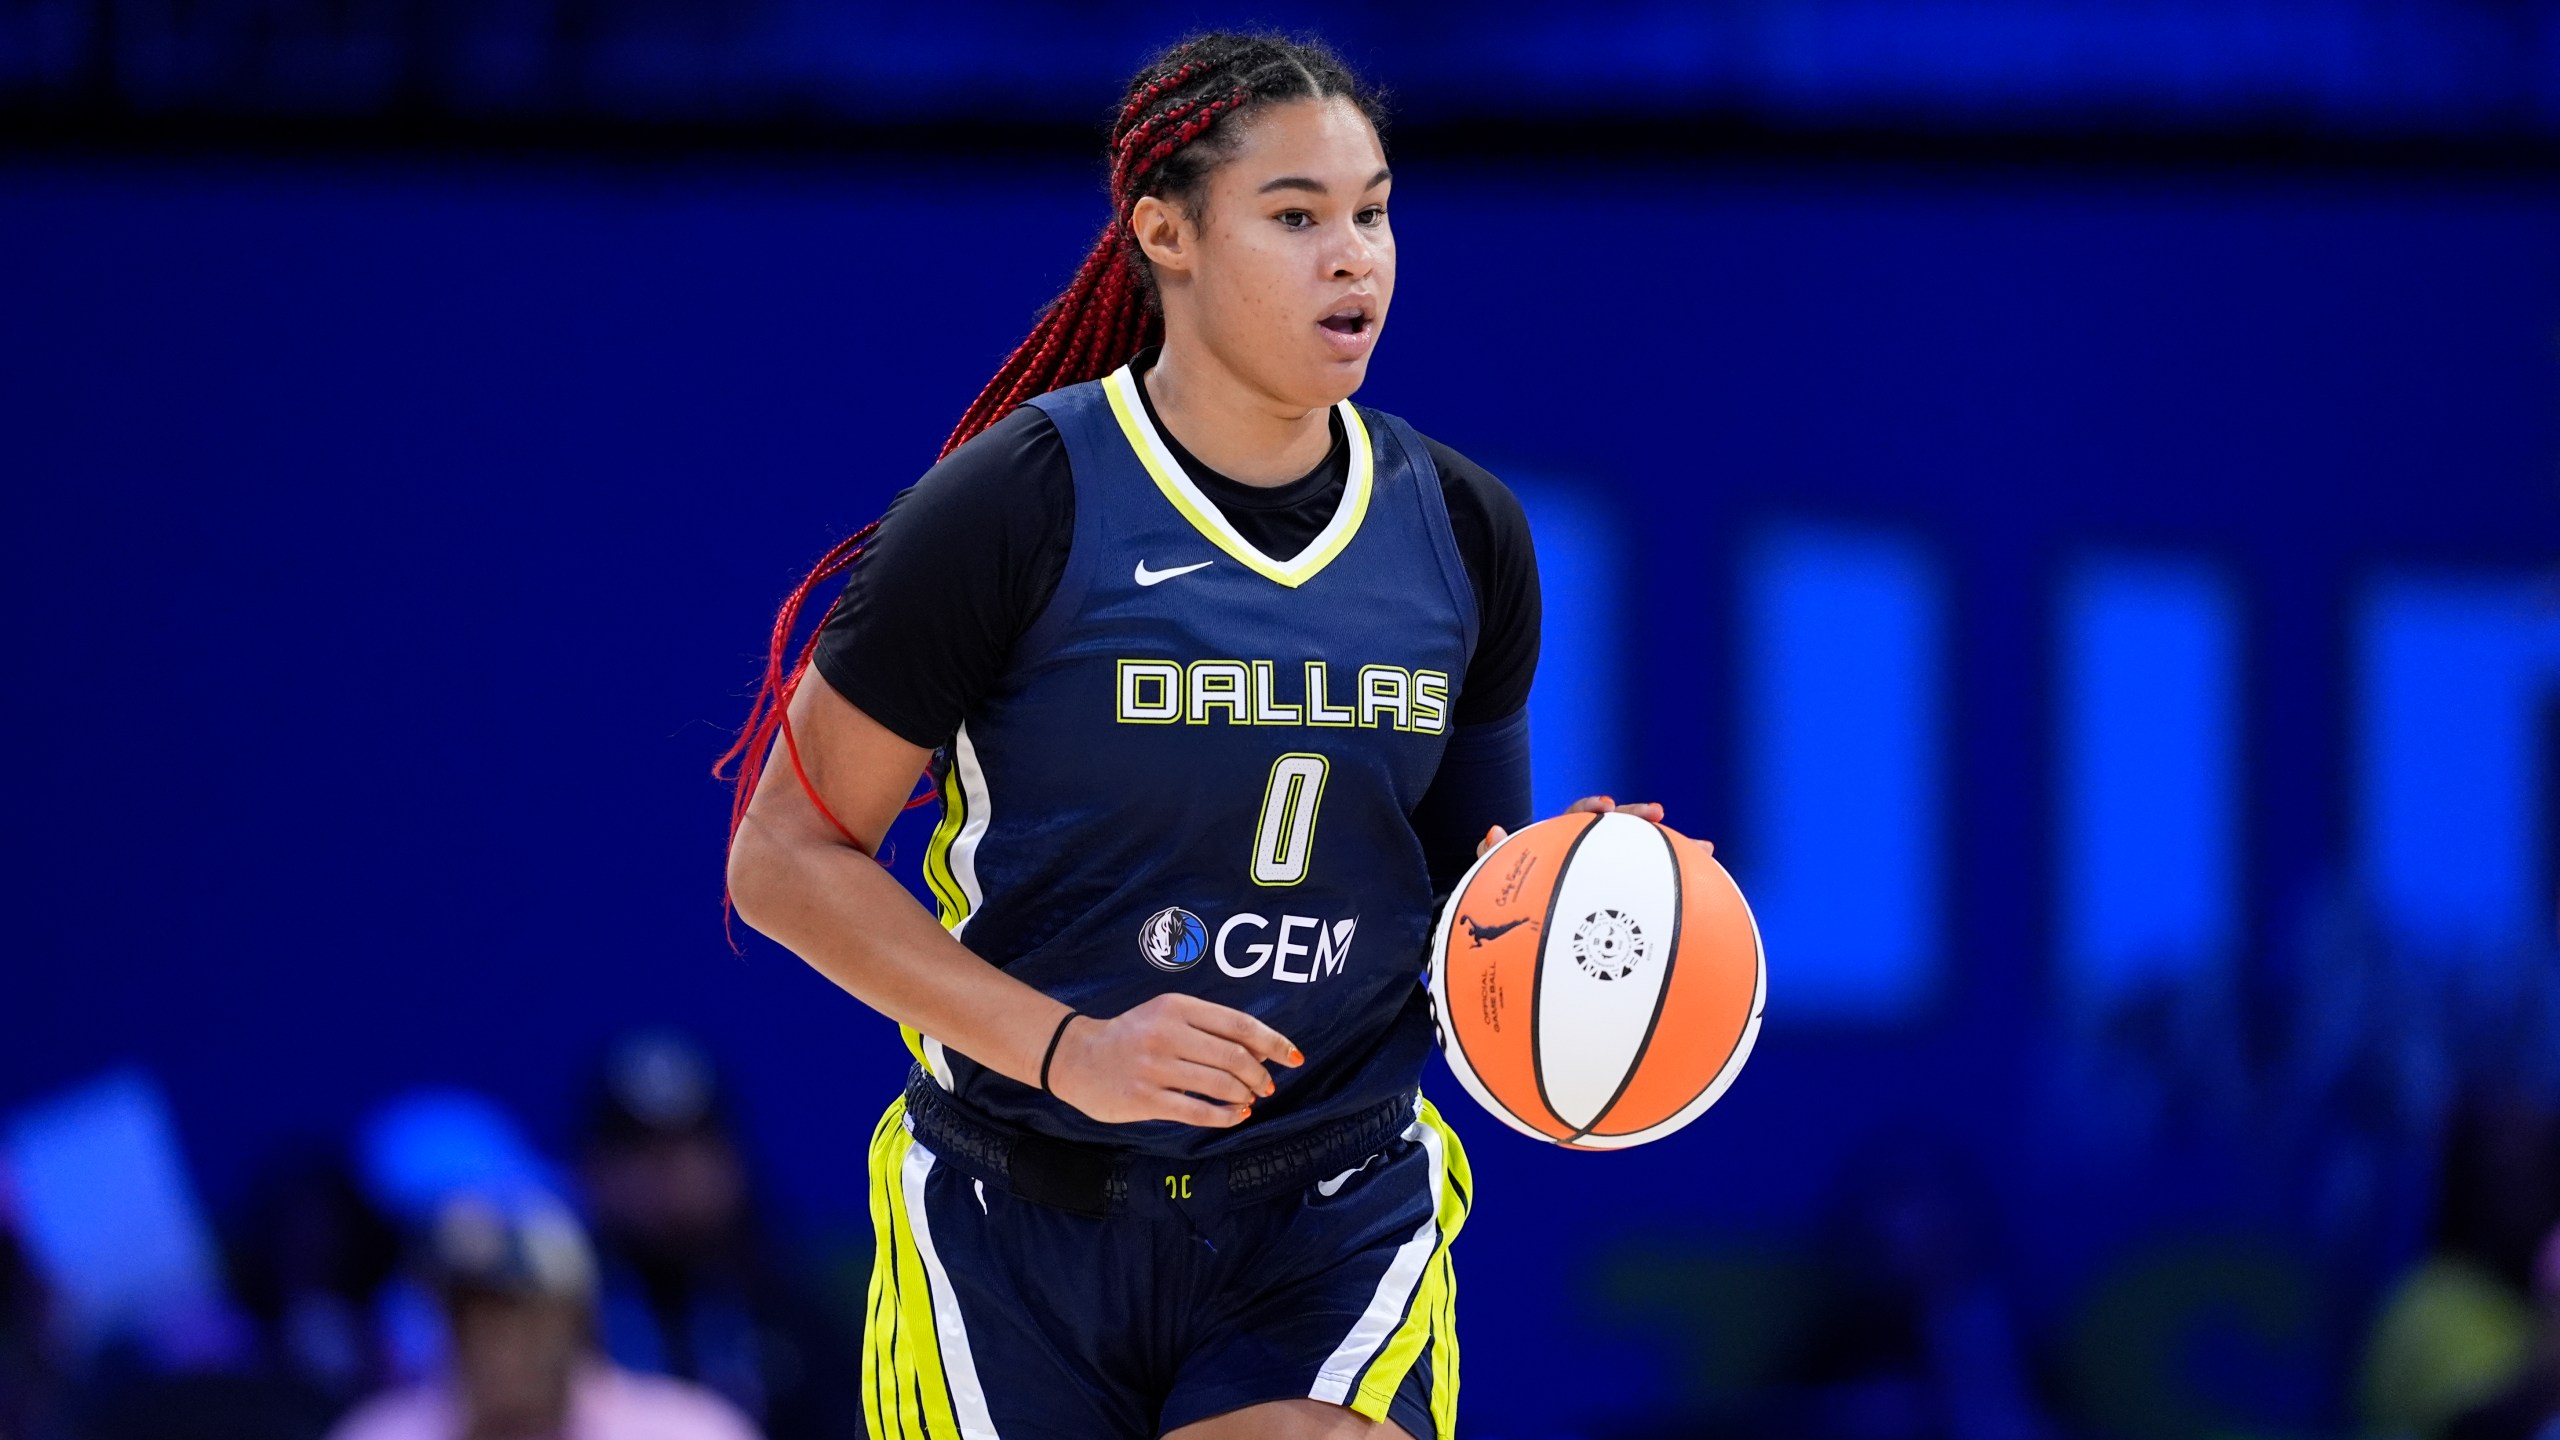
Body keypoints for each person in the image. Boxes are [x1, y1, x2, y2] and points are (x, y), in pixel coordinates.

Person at [720, 30, 1679, 1440]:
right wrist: (1065, 1048)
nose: (1355, 256)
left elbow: (1478, 896)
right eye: (1296, 217)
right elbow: (786, 860)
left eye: (1374, 210)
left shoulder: (1465, 529)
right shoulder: (1017, 503)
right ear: (1165, 233)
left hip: (1324, 1200)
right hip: (1019, 1203)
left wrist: (1587, 899)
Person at [579, 1029, 860, 1438]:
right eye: (641, 1149)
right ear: (594, 1166)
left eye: (691, 1144)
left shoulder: (795, 1311)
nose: (670, 1172)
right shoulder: (567, 1315)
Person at [326, 1193, 759, 1440]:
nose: (490, 1340)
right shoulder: (378, 1434)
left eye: (515, 1314)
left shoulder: (689, 1432)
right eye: (466, 1313)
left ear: (576, 1318)